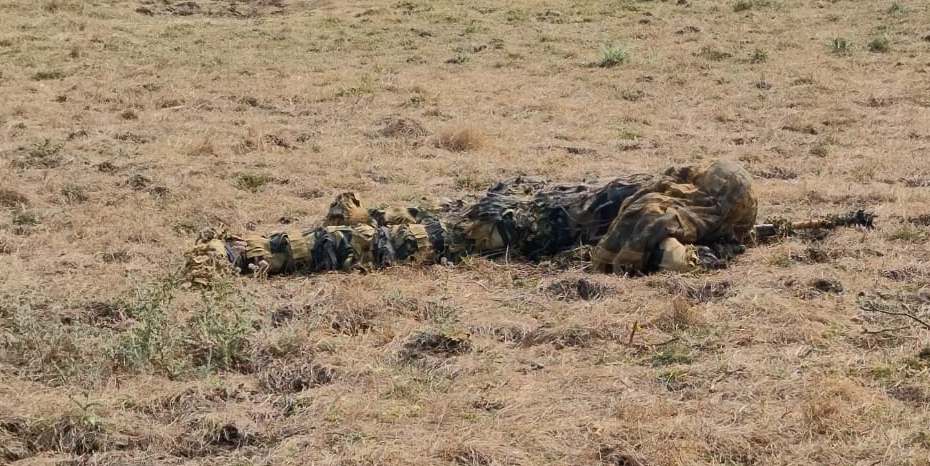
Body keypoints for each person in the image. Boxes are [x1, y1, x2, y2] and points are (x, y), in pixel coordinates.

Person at [184, 159, 758, 286]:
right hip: (515, 227)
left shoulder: (663, 184)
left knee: (419, 226)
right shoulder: (672, 205)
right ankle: (244, 252)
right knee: (385, 248)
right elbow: (629, 253)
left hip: (520, 208)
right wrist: (707, 257)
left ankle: (354, 211)